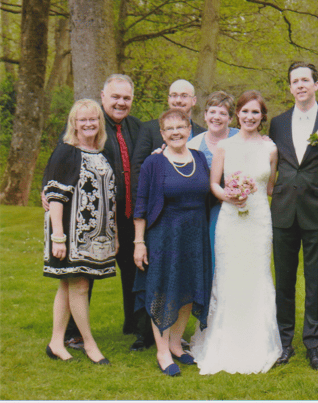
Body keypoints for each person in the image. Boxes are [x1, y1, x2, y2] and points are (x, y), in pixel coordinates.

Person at [42, 74, 143, 352]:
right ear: (103, 96)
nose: (121, 103)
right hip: (86, 220)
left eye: (126, 98)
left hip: (125, 216)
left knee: (134, 272)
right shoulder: (89, 125)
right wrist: (46, 190)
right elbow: (61, 161)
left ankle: (136, 326)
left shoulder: (138, 128)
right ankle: (73, 334)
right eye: (116, 97)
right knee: (80, 275)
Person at [189, 90, 282, 375]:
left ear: (261, 117)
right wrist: (229, 195)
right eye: (245, 112)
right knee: (229, 276)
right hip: (230, 220)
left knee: (257, 275)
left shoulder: (270, 149)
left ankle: (258, 341)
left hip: (258, 221)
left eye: (256, 113)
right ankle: (223, 339)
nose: (250, 117)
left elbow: (270, 188)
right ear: (237, 115)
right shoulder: (224, 147)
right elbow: (214, 184)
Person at [269, 62, 318, 371]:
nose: (300, 85)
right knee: (284, 282)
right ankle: (284, 342)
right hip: (284, 212)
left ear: (316, 85)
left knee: (316, 281)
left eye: (306, 80)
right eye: (295, 81)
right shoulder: (277, 123)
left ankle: (313, 344)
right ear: (290, 87)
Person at [133, 108, 212, 377]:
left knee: (189, 287)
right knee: (163, 291)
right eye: (170, 129)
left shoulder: (200, 158)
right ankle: (162, 350)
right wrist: (139, 242)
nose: (176, 132)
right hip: (164, 235)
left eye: (181, 127)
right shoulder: (153, 163)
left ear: (190, 129)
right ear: (162, 133)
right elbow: (141, 204)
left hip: (195, 234)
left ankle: (177, 344)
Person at [43, 99, 116, 365]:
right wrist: (58, 237)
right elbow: (55, 197)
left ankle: (55, 342)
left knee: (67, 286)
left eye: (93, 119)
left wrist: (114, 235)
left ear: (99, 123)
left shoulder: (101, 152)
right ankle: (89, 343)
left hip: (96, 236)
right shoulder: (67, 152)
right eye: (82, 120)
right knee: (80, 286)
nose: (88, 124)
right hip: (71, 236)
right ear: (74, 123)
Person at [187, 91, 240, 274]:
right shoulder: (193, 145)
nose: (216, 117)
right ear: (205, 115)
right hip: (203, 211)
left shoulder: (241, 139)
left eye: (223, 113)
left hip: (234, 209)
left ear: (231, 118)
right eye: (212, 112)